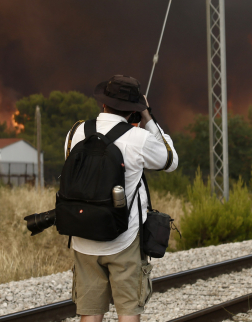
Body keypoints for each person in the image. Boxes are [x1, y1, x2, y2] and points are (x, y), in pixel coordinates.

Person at [65, 74, 178, 322]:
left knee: (90, 313)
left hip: (83, 236)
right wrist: (148, 117)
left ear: (103, 103)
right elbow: (170, 160)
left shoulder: (76, 131)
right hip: (123, 240)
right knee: (128, 312)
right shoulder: (138, 138)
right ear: (134, 110)